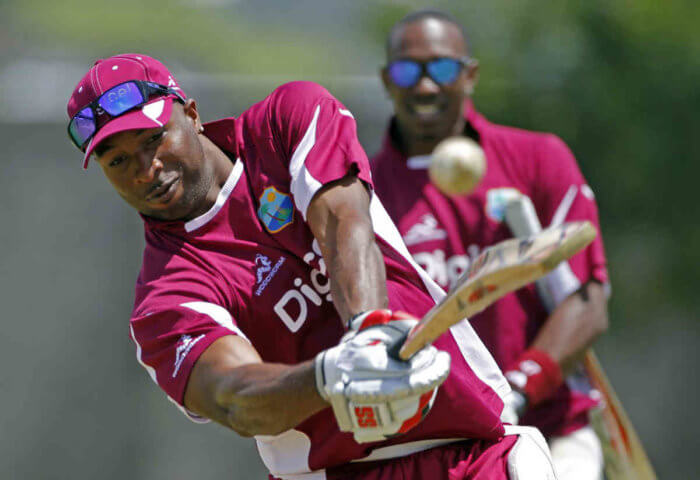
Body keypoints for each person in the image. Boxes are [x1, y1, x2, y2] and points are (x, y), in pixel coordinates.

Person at [66, 54, 557, 479]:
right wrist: (331, 376)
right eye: (118, 161)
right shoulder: (163, 299)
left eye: (153, 140)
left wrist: (368, 331)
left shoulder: (286, 121)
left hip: (474, 453)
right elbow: (236, 395)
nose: (144, 169)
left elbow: (341, 220)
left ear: (190, 114)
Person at [371, 10, 610, 480]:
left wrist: (516, 389)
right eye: (407, 70)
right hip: (431, 450)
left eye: (441, 68)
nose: (424, 86)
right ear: (386, 79)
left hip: (548, 429)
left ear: (470, 74)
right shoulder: (363, 193)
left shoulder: (537, 159)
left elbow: (588, 302)